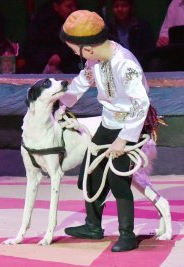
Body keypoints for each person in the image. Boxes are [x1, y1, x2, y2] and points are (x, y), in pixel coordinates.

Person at [59, 10, 150, 252]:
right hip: (108, 123)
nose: (74, 54)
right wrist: (61, 105)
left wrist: (124, 140)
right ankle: (92, 225)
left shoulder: (125, 64)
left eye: (73, 50)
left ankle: (127, 234)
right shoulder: (95, 60)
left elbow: (141, 104)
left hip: (130, 126)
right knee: (92, 173)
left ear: (87, 48)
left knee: (119, 178)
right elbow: (82, 81)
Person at [21, 0, 80, 74]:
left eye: (75, 6)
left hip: (69, 65)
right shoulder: (42, 20)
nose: (73, 10)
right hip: (41, 65)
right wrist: (49, 60)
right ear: (56, 7)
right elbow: (30, 48)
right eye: (69, 6)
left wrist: (60, 56)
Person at [107, 0, 155, 71]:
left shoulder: (141, 26)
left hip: (139, 66)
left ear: (130, 7)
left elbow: (148, 52)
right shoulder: (109, 28)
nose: (119, 9)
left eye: (124, 6)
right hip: (117, 68)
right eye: (116, 6)